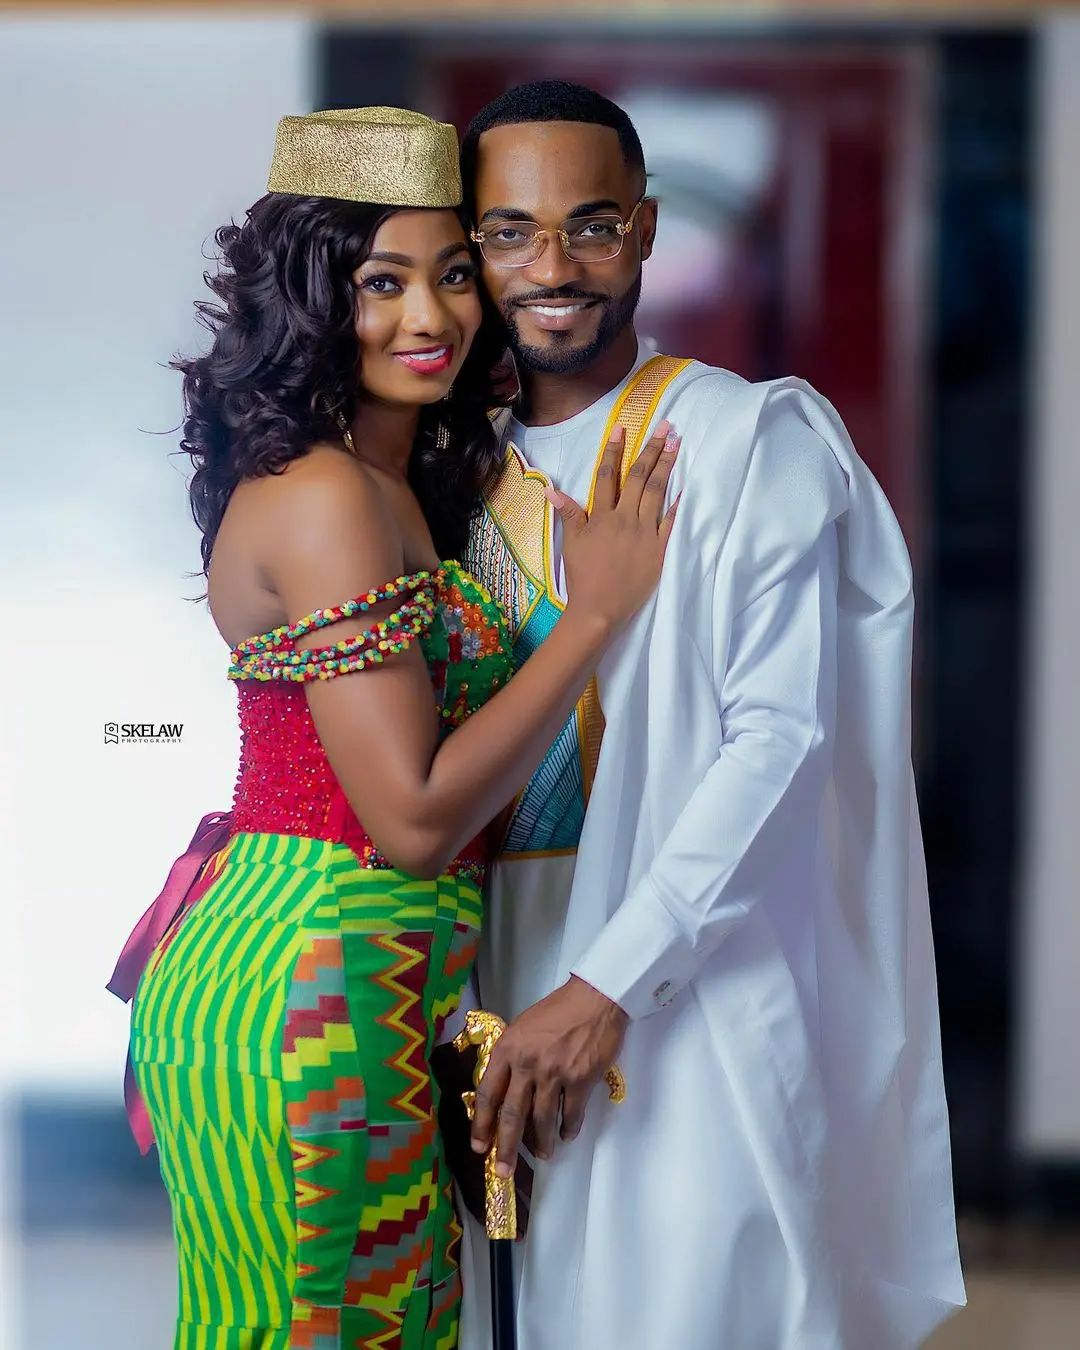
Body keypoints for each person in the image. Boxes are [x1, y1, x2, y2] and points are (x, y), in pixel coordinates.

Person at [122, 106, 679, 1350]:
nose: (430, 317)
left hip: (338, 975)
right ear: (312, 297)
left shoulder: (383, 480)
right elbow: (415, 821)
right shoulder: (328, 497)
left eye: (454, 274)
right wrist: (593, 618)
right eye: (381, 282)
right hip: (313, 986)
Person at [454, 81, 966, 1349]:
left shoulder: (743, 440)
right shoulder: (449, 466)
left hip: (684, 1004)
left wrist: (605, 987)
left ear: (644, 229)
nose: (552, 268)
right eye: (511, 232)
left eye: (591, 225)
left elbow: (779, 742)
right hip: (483, 1000)